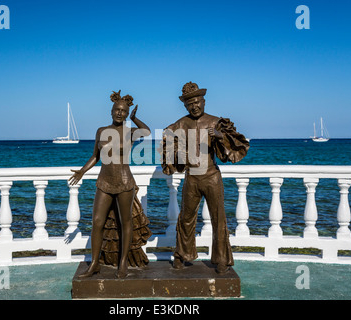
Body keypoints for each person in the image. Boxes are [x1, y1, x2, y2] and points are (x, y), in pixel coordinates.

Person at [160, 82, 250, 273]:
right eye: (190, 104)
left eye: (197, 102)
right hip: (191, 177)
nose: (195, 106)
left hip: (211, 176)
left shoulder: (216, 122)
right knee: (185, 217)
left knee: (218, 218)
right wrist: (177, 148)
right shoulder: (180, 124)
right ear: (185, 106)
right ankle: (181, 255)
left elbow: (234, 150)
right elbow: (167, 145)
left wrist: (219, 136)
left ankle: (222, 259)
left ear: (204, 101)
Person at [69, 90, 152, 278]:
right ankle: (95, 264)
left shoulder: (130, 132)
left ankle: (122, 263)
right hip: (104, 182)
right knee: (97, 222)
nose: (119, 113)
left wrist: (135, 118)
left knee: (125, 222)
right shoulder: (101, 131)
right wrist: (82, 170)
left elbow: (146, 131)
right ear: (111, 111)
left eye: (123, 111)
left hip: (124, 182)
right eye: (117, 110)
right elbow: (95, 156)